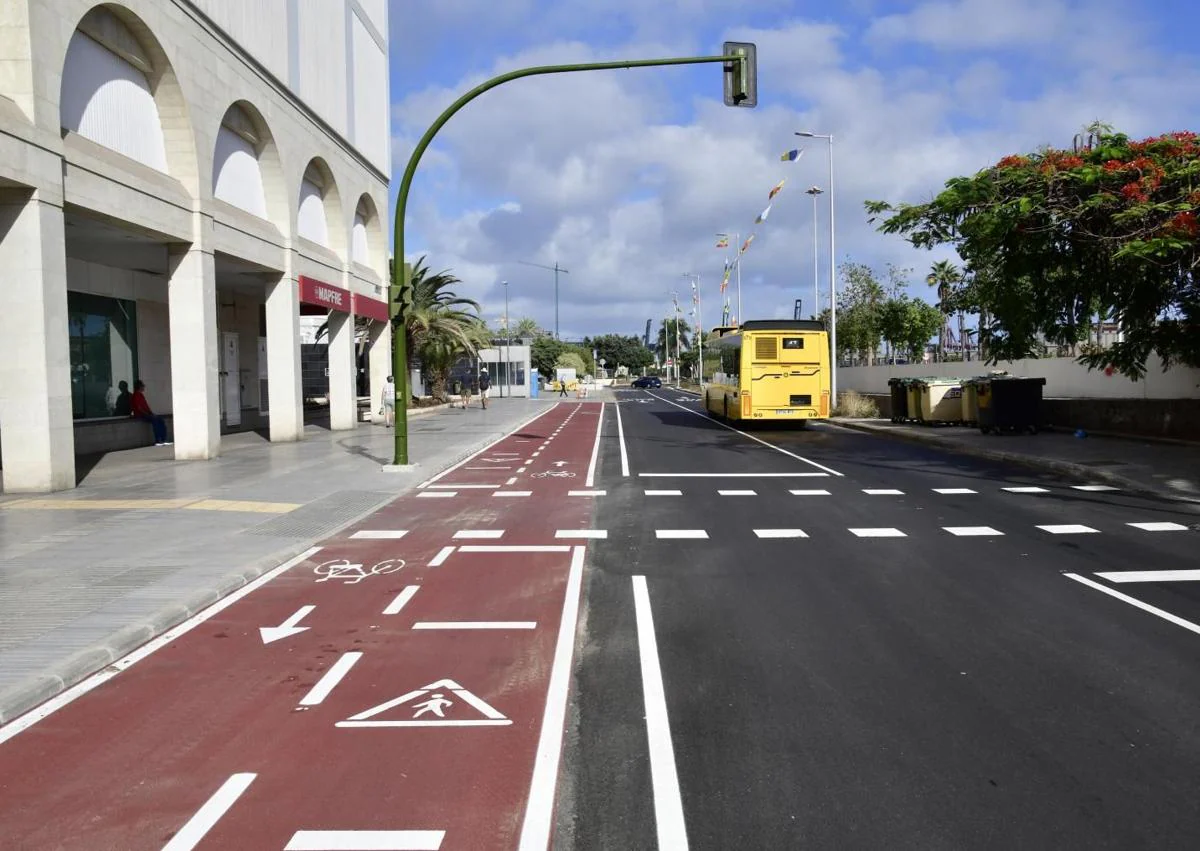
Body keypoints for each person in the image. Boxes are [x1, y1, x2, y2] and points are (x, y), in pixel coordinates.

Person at [130, 380, 171, 446]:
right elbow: (139, 408)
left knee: (161, 420)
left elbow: (146, 406)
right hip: (140, 415)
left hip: (146, 414)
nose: (144, 387)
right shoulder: (136, 395)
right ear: (139, 386)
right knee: (155, 421)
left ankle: (163, 439)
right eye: (143, 386)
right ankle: (158, 441)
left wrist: (152, 413)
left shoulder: (141, 395)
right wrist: (148, 415)